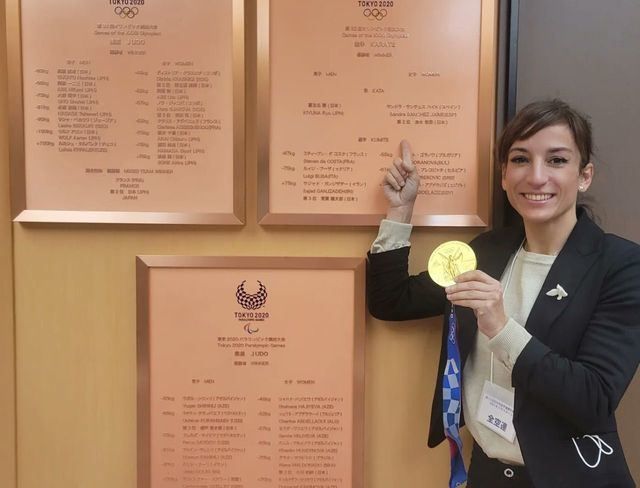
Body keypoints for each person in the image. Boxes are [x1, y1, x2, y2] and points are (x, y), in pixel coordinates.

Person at [367, 99, 640, 487]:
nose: (536, 176)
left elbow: (593, 400)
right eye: (520, 159)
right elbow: (391, 300)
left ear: (585, 176)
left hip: (571, 477)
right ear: (503, 175)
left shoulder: (621, 264)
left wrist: (499, 326)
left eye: (558, 160)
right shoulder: (488, 251)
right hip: (489, 474)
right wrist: (400, 212)